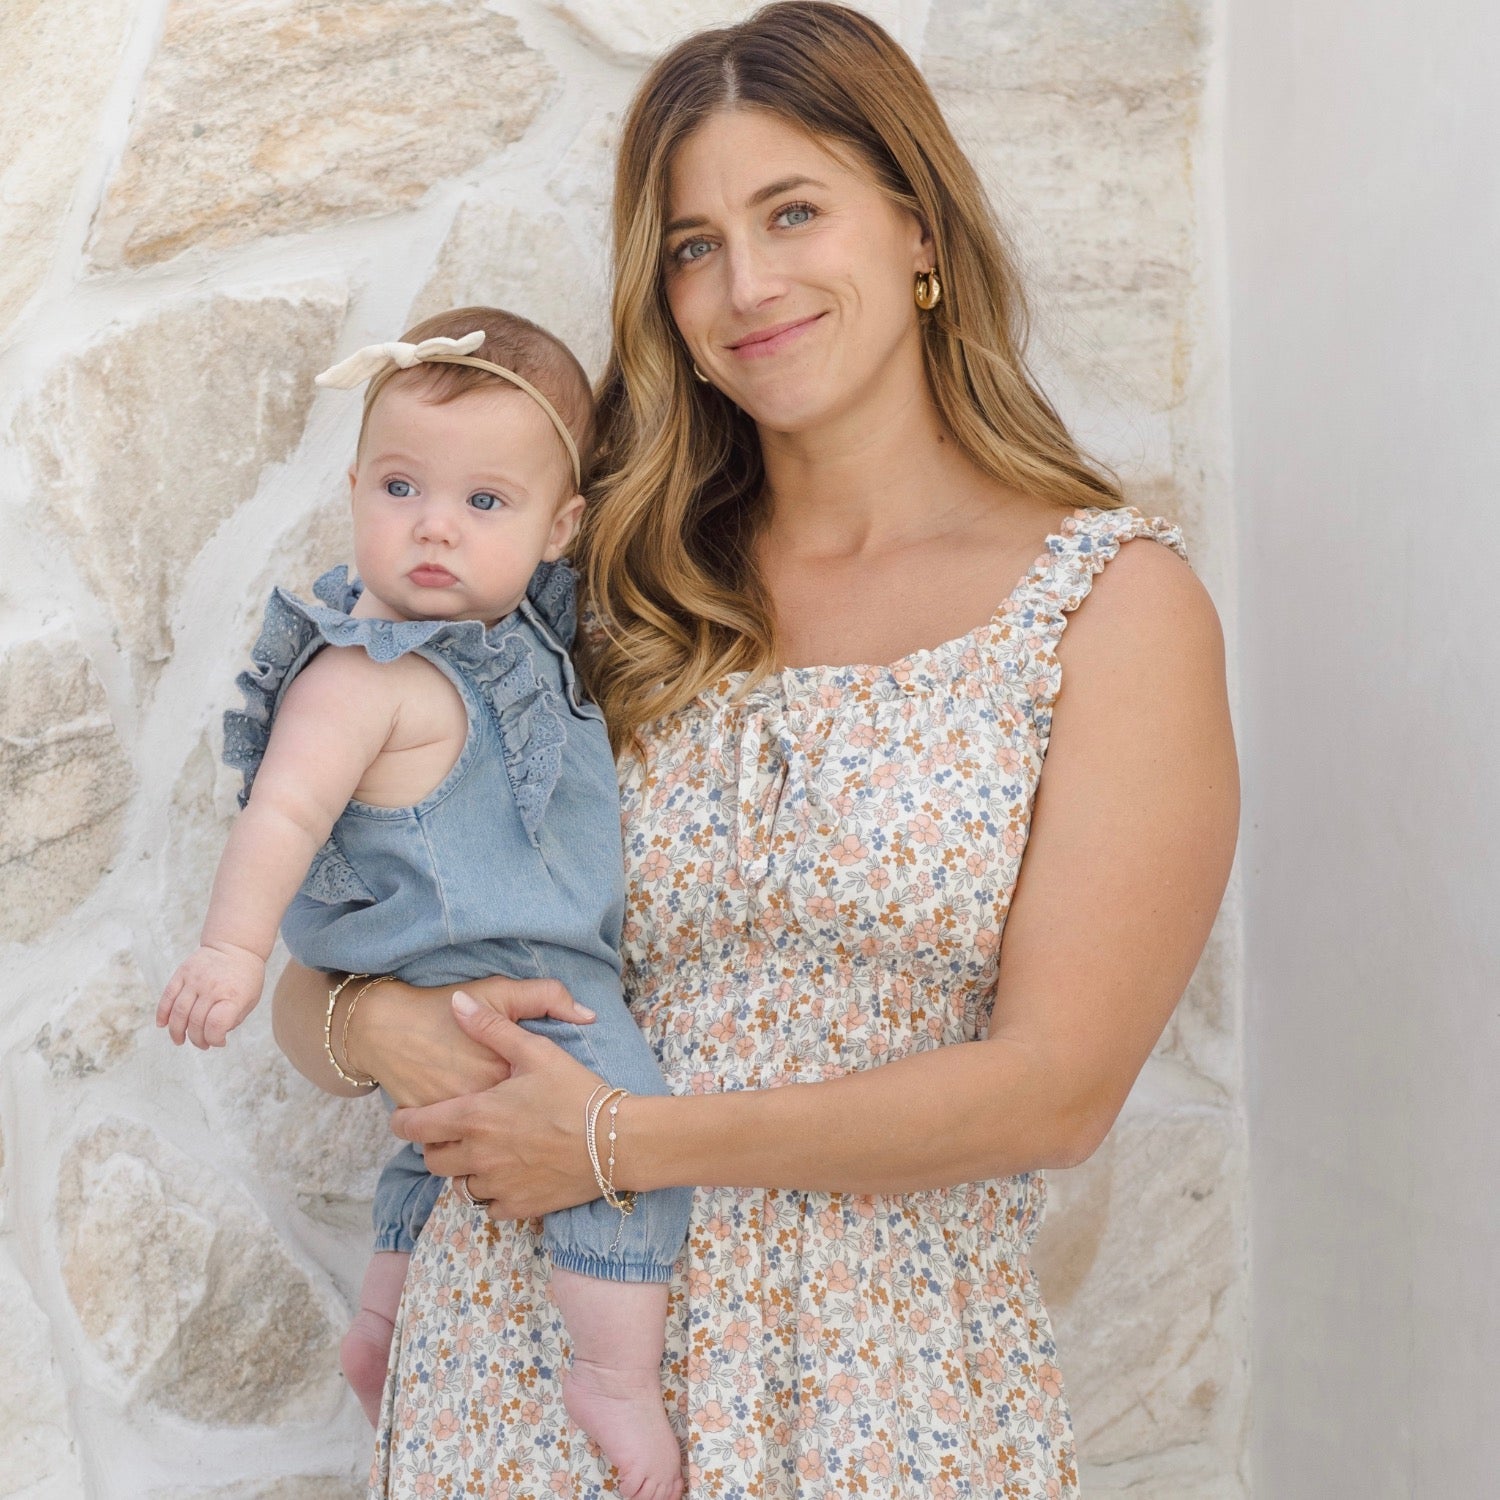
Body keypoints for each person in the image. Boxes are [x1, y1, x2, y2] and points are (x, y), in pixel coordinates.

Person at [273, 5, 1239, 1496]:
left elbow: (1058, 1091)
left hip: (880, 1391)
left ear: (919, 229)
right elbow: (317, 970)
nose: (746, 285)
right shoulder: (580, 599)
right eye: (693, 245)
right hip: (523, 1371)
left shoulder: (1109, 607)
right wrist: (380, 1030)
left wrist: (620, 1141)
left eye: (793, 213)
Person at [159, 305, 693, 1500]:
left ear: (560, 530)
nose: (435, 526)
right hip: (520, 991)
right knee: (626, 1139)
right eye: (401, 488)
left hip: (478, 1000)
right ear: (354, 491)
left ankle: (380, 1331)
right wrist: (232, 953)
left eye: (485, 502)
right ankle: (615, 1377)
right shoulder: (364, 671)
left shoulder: (520, 641)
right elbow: (282, 815)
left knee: (430, 1159)